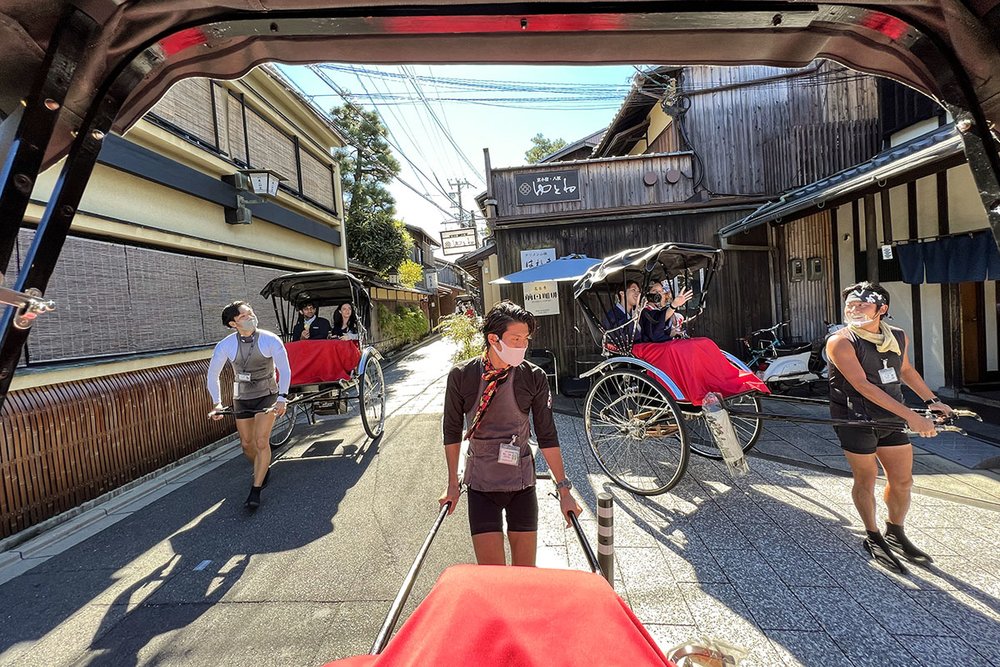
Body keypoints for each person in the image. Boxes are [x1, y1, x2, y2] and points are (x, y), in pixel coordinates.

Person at [440, 300, 582, 566]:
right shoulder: (462, 376)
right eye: (515, 339)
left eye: (525, 339)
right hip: (481, 484)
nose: (522, 346)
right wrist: (451, 484)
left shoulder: (533, 377)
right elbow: (450, 431)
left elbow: (547, 435)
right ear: (494, 339)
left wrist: (564, 490)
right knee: (493, 576)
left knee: (524, 574)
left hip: (521, 484)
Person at [826, 281, 952, 572]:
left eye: (862, 304)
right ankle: (872, 536)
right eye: (850, 305)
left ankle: (895, 532)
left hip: (891, 414)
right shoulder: (841, 341)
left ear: (882, 309)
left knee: (903, 480)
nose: (854, 309)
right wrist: (911, 416)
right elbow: (862, 385)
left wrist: (932, 401)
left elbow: (905, 370)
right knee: (866, 478)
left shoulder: (897, 336)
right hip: (855, 417)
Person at [207, 301, 291, 510]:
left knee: (262, 442)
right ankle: (262, 466)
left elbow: (285, 369)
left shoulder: (270, 339)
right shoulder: (226, 345)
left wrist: (282, 397)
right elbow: (212, 375)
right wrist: (217, 402)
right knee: (247, 444)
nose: (250, 317)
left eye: (250, 313)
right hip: (242, 396)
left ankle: (255, 490)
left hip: (267, 394)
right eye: (244, 316)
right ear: (233, 323)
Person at [602, 279, 641, 344]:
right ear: (622, 293)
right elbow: (623, 337)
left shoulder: (636, 312)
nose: (637, 294)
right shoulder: (612, 315)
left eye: (638, 291)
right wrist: (635, 316)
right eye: (633, 290)